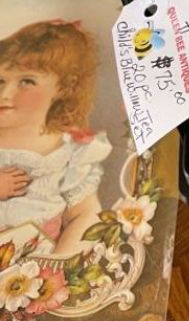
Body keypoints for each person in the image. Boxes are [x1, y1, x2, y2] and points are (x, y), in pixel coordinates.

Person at [0, 22, 111, 258]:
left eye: (26, 81)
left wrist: (57, 261)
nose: (5, 94)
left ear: (64, 87)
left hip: (33, 265)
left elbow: (85, 215)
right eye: (1, 81)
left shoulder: (71, 150)